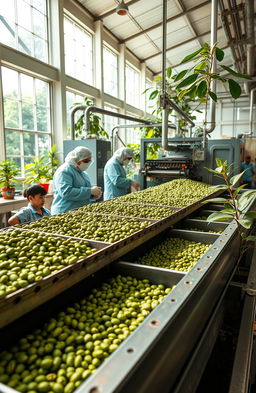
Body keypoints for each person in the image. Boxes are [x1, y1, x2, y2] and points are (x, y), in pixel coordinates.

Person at [51, 146, 102, 214]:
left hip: (78, 211)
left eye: (90, 161)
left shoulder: (82, 172)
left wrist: (93, 195)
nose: (88, 163)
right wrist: (90, 191)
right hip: (64, 211)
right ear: (77, 161)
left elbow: (83, 191)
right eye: (86, 161)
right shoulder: (64, 171)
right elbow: (66, 192)